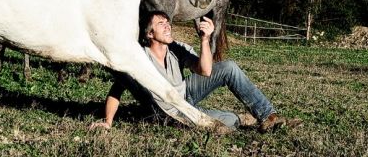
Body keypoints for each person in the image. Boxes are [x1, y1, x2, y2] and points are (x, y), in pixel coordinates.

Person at [89, 10, 300, 133]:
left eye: (168, 22)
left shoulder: (176, 48)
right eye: (161, 23)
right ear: (149, 33)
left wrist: (204, 39)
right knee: (224, 124)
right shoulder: (139, 56)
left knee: (229, 67)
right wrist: (108, 121)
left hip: (187, 94)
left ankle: (268, 115)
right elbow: (118, 86)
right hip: (169, 111)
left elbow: (206, 70)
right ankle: (243, 119)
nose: (167, 26)